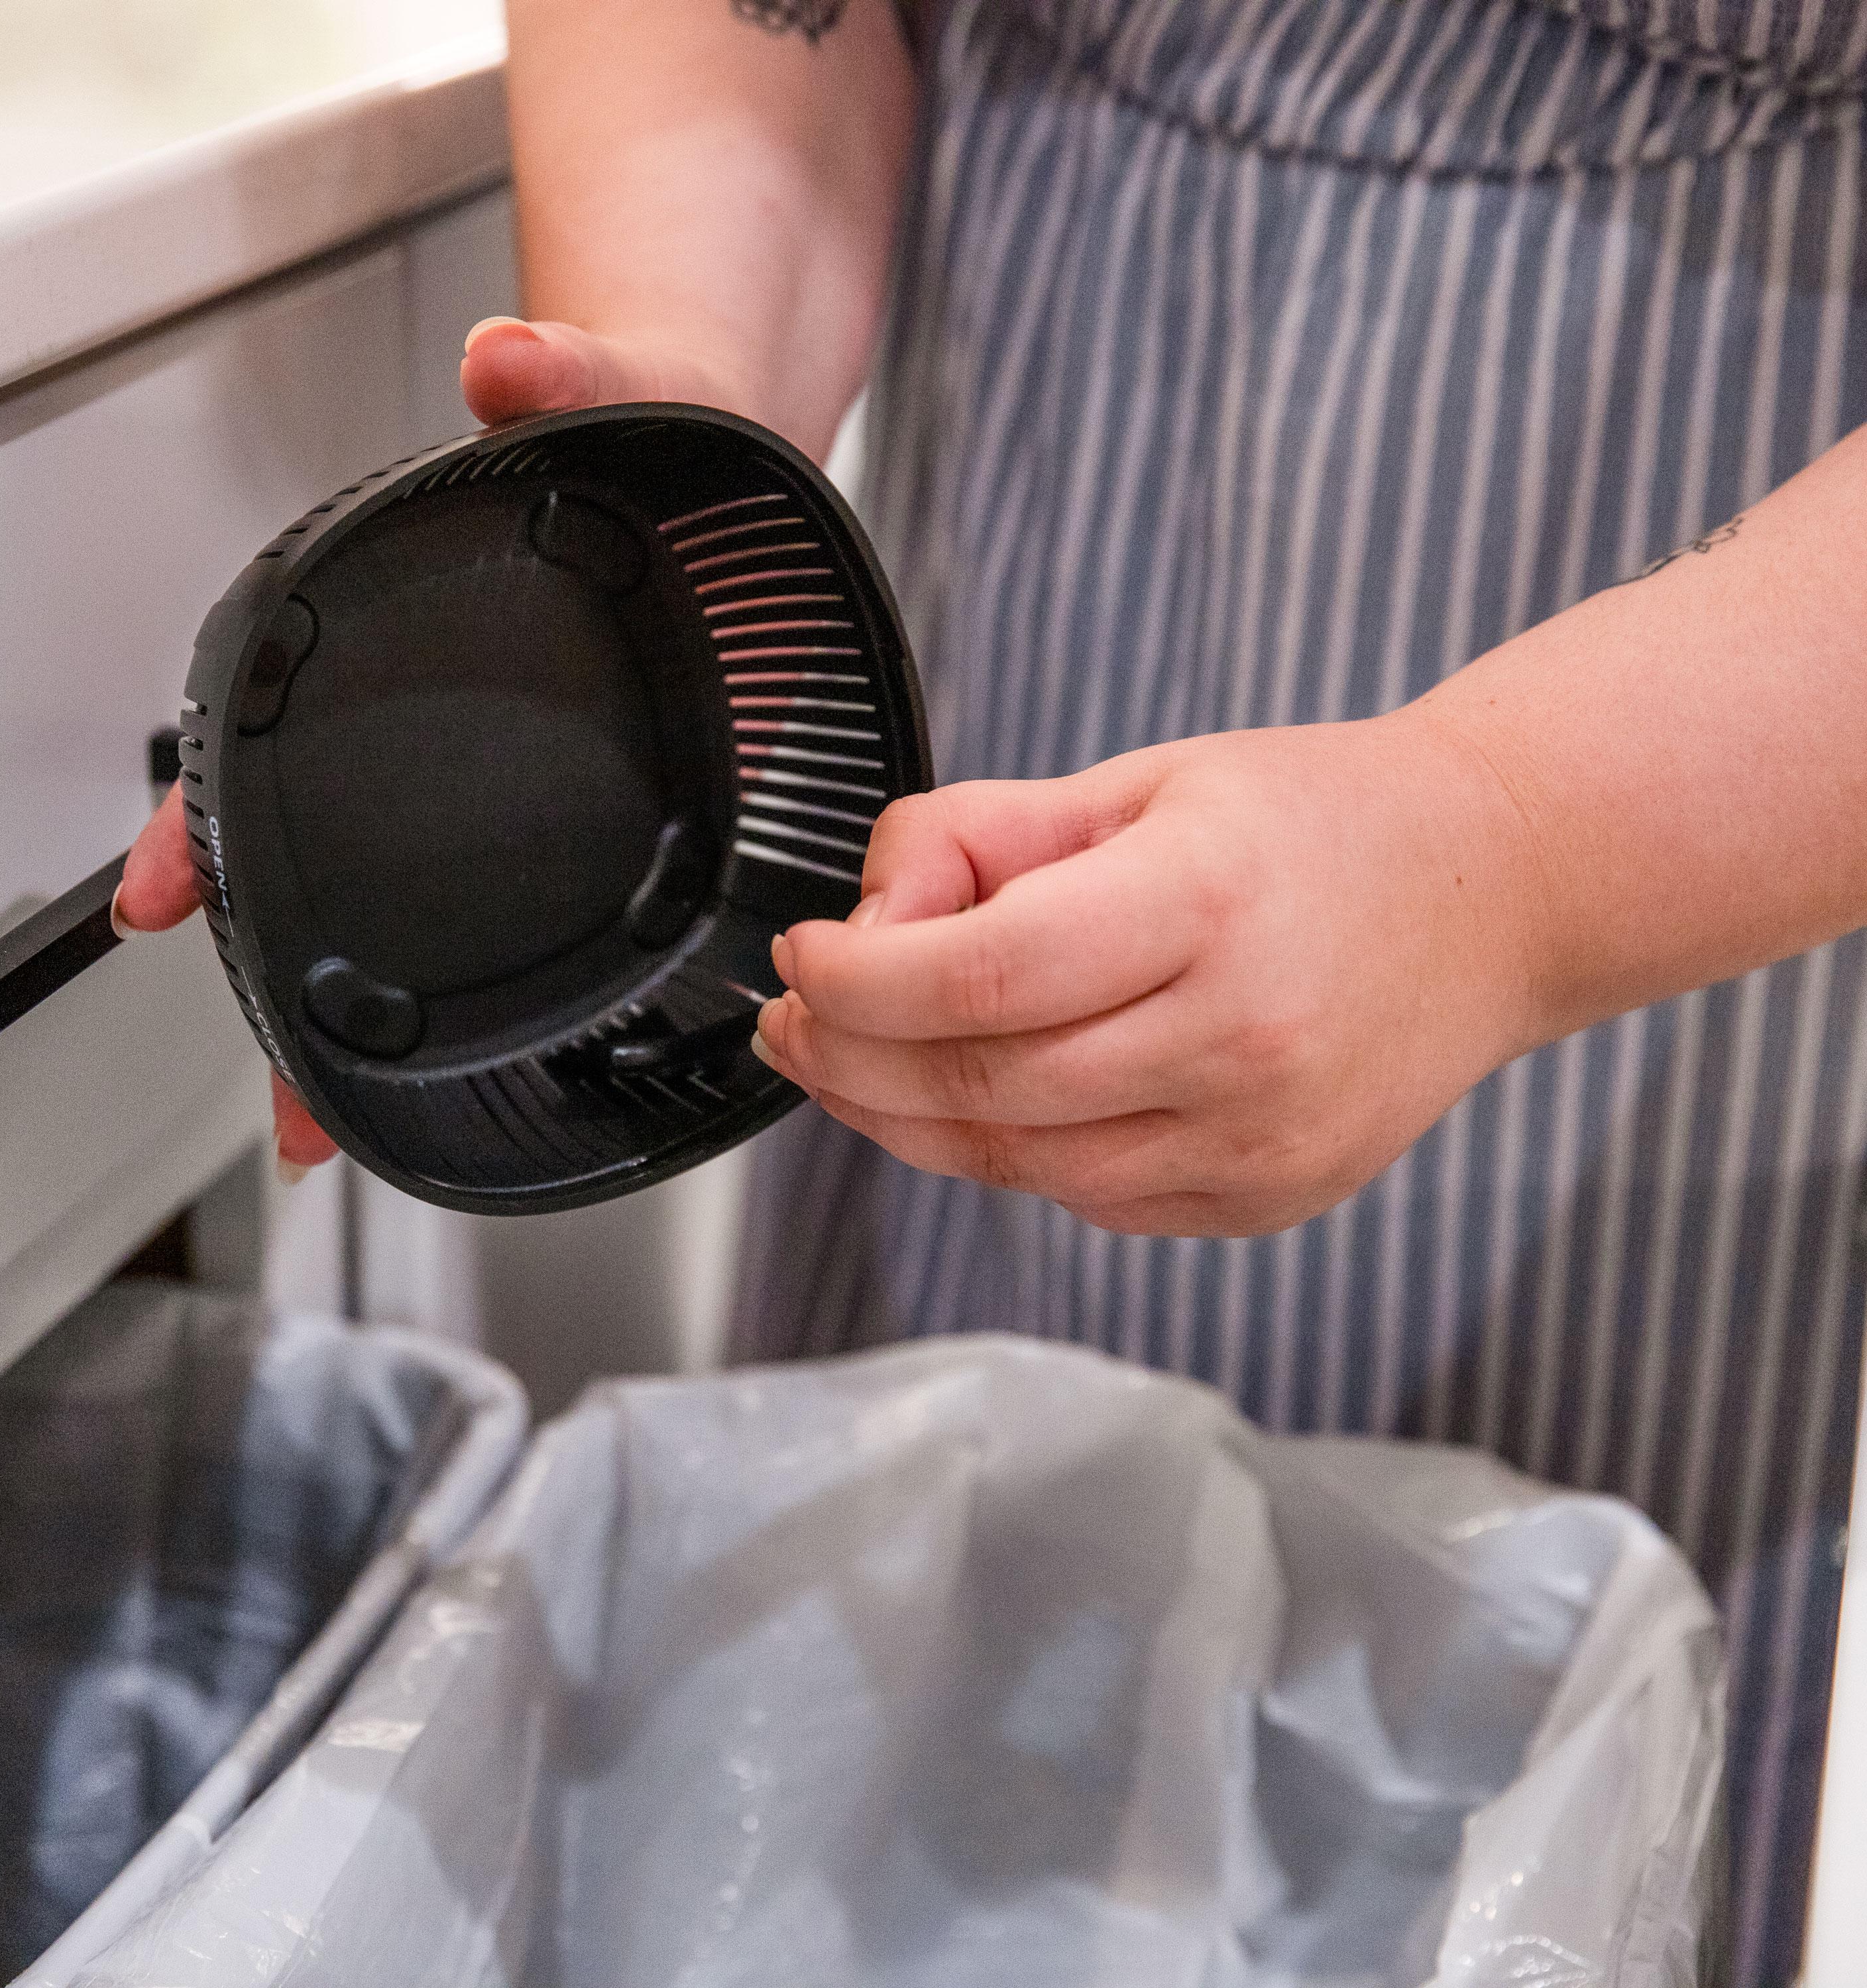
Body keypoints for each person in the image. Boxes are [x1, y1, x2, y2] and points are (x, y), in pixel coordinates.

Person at [117, 1, 1867, 1977]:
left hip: (1713, 723)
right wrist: (673, 464)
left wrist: (1514, 859)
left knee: (1528, 1771)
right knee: (932, 1710)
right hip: (1041, 473)